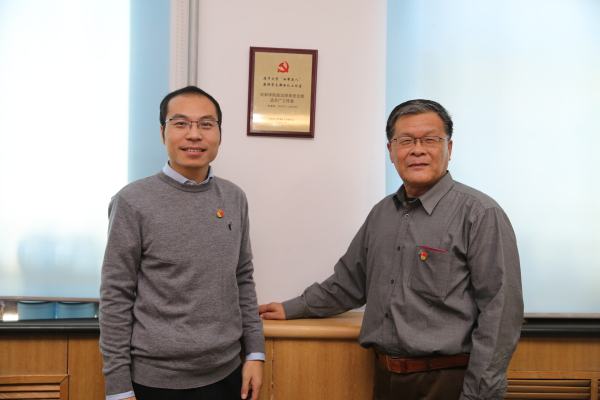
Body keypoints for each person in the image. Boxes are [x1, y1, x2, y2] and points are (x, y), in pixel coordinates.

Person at [259, 100, 523, 400]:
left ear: (449, 148)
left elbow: (501, 313)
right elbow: (349, 284)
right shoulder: (381, 214)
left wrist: (478, 396)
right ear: (391, 151)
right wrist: (293, 308)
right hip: (385, 378)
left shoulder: (480, 214)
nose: (417, 150)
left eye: (430, 139)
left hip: (448, 382)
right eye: (406, 141)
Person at [100, 86, 264, 400]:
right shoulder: (132, 201)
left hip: (227, 372)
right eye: (181, 123)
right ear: (163, 133)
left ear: (219, 133)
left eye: (206, 124)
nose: (194, 134)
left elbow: (243, 278)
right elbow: (115, 295)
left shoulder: (234, 197)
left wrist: (255, 353)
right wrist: (118, 388)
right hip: (155, 381)